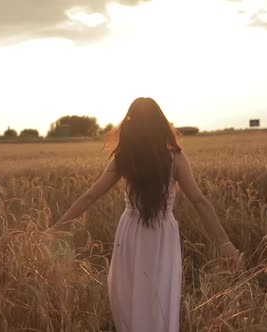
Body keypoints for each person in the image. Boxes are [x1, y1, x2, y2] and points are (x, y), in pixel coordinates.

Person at [45, 97, 242, 332]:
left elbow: (90, 196)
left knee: (129, 298)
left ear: (130, 126)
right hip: (162, 235)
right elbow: (199, 201)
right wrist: (224, 242)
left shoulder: (124, 158)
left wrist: (54, 229)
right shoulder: (175, 159)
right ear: (161, 124)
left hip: (131, 232)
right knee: (159, 297)